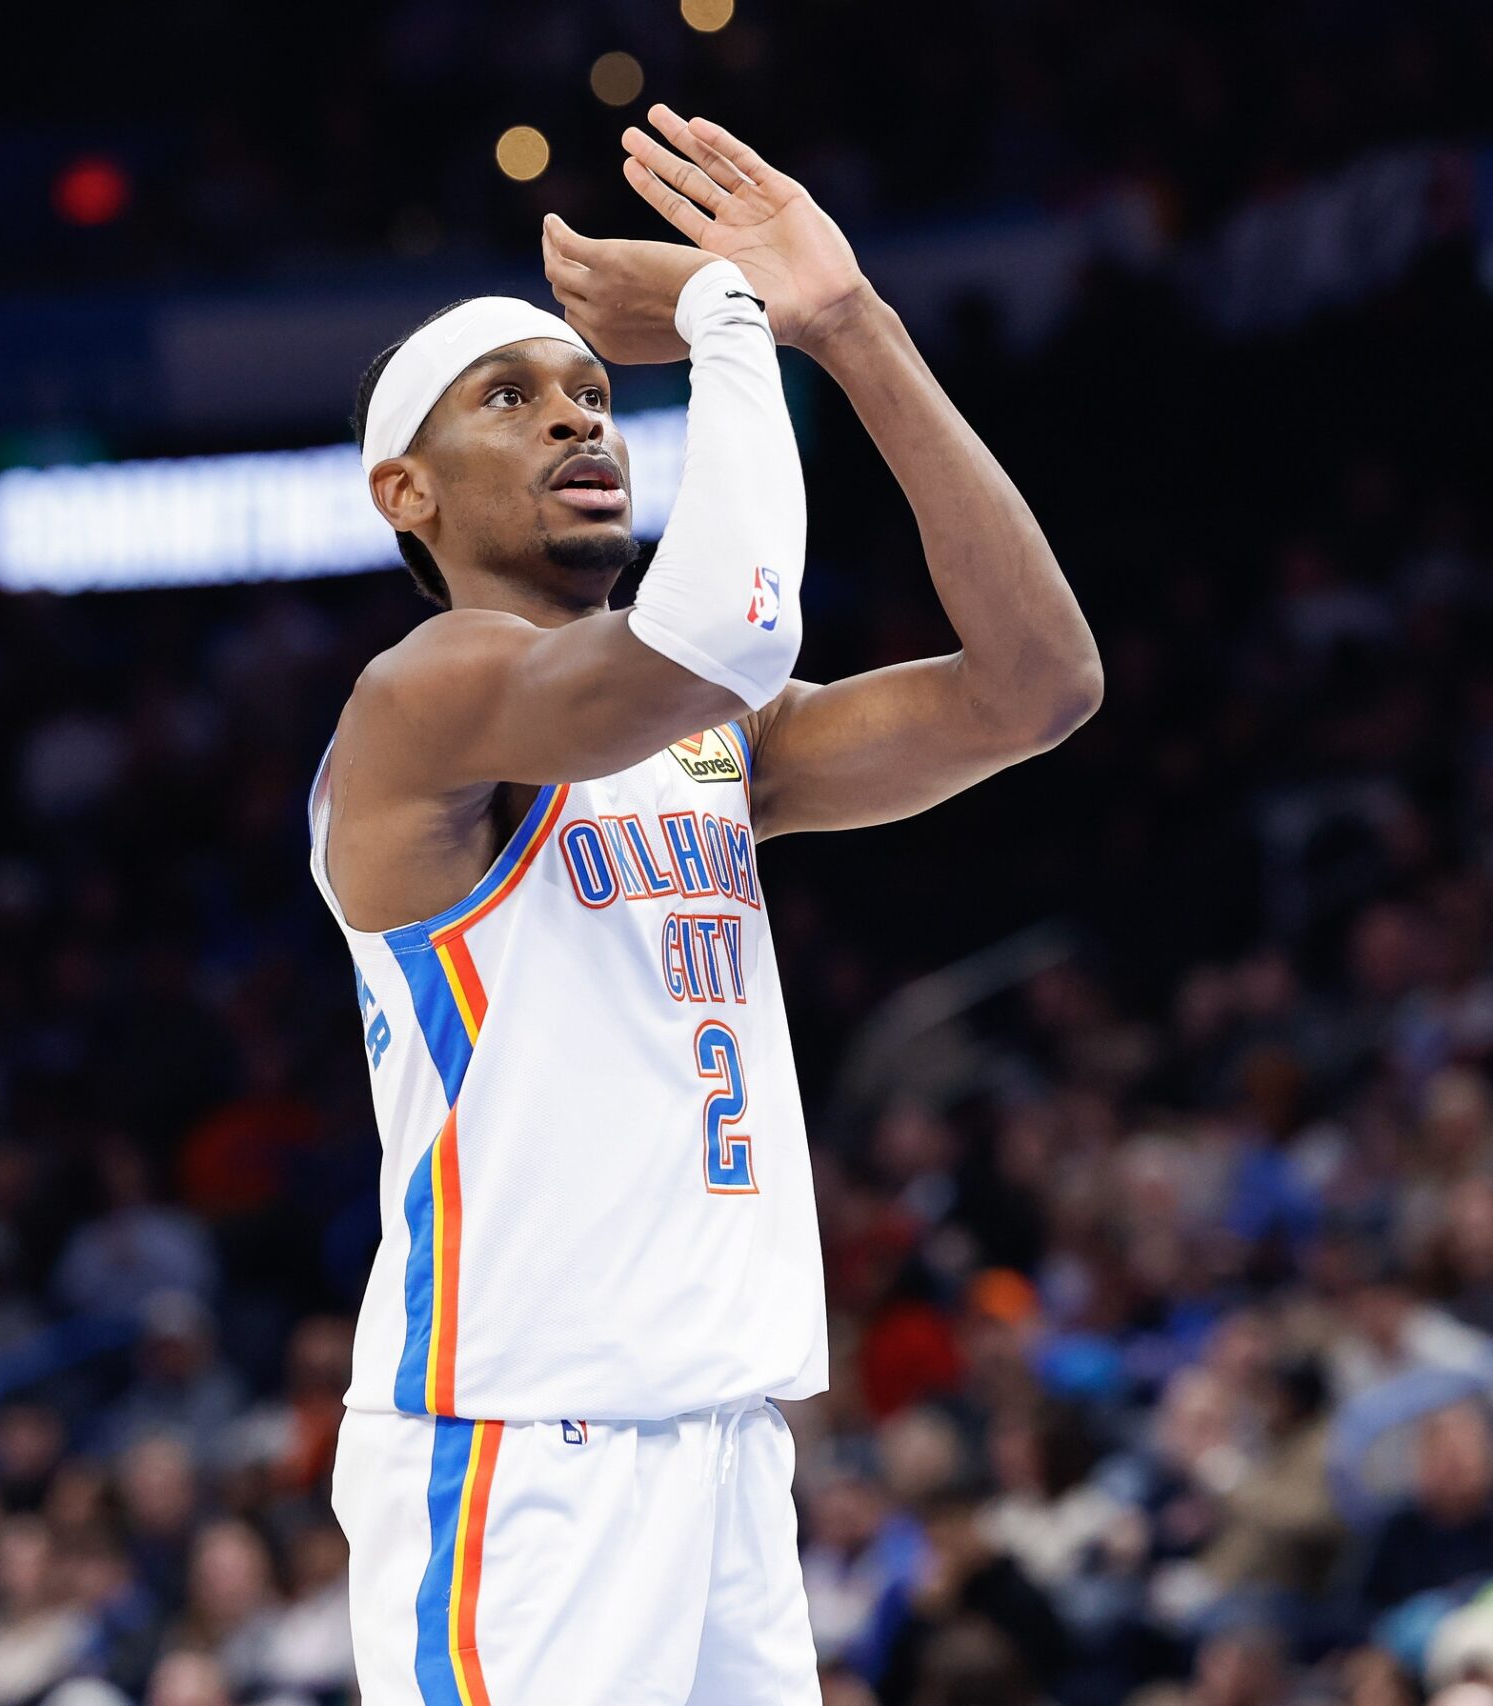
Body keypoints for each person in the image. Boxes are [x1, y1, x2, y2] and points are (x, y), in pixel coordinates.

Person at [312, 104, 1099, 1705]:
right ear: (409, 492)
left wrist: (854, 327)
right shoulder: (423, 701)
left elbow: (1040, 687)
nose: (578, 420)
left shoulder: (712, 741)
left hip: (726, 1438)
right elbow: (731, 621)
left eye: (598, 393)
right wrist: (727, 314)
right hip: (522, 1441)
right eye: (512, 398)